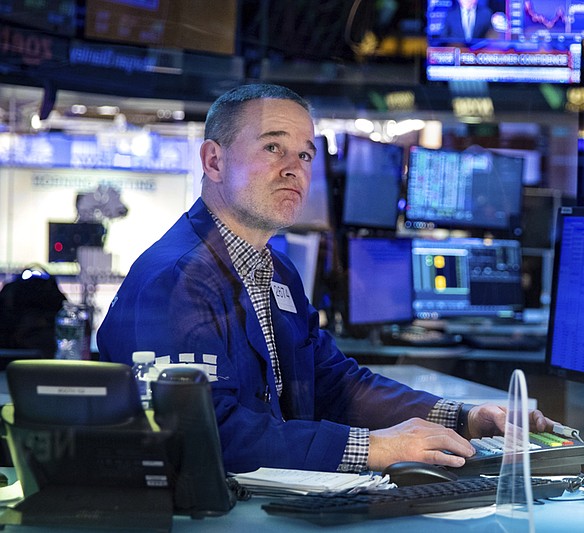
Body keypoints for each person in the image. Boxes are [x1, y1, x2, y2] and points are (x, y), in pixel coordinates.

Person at [97, 83, 554, 474]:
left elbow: (334, 383)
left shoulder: (275, 270)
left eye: (305, 153)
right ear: (213, 161)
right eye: (273, 147)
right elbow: (199, 433)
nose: (294, 167)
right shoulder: (176, 278)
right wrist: (373, 449)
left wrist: (465, 418)